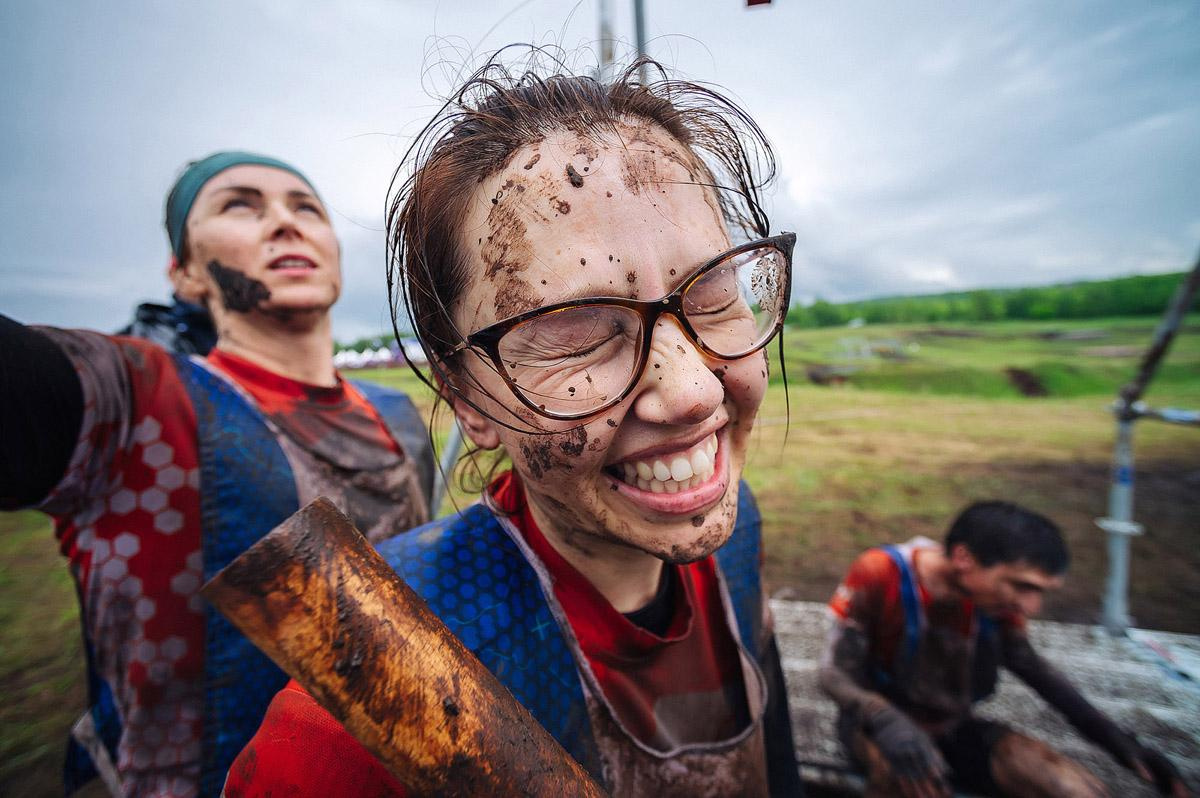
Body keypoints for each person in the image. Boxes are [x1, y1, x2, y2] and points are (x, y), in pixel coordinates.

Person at [223, 54, 803, 797]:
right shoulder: (356, 714)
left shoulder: (737, 532)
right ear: (466, 396)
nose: (690, 392)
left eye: (715, 289)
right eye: (575, 334)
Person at [0, 151, 435, 797]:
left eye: (306, 207)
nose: (286, 224)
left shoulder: (397, 413)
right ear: (184, 273)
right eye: (240, 205)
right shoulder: (129, 400)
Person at [819, 500, 1190, 798]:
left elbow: (1031, 666)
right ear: (964, 559)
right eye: (1021, 586)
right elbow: (834, 672)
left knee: (1070, 787)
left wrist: (1117, 741)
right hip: (878, 725)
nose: (1030, 607)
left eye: (1039, 592)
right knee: (911, 783)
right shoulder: (882, 572)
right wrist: (883, 718)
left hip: (954, 723)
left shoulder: (994, 603)